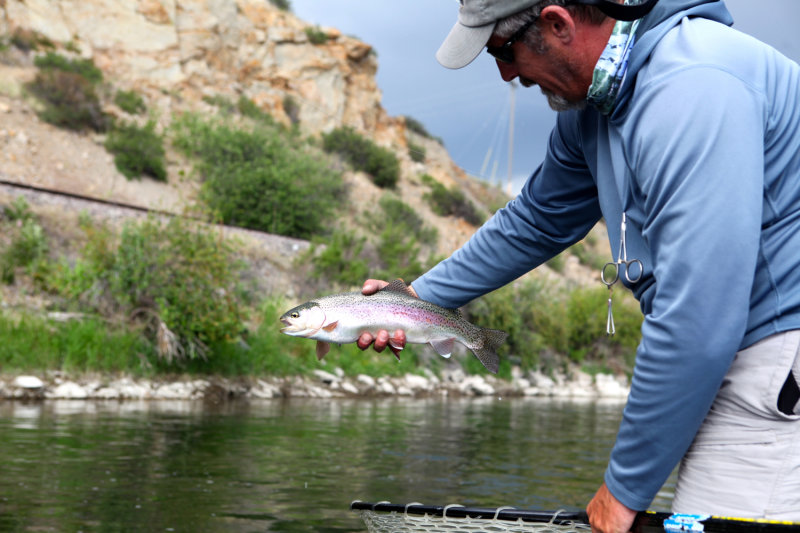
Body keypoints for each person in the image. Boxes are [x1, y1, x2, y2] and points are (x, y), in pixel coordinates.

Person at [357, 0, 800, 531]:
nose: (506, 74)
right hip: (742, 351)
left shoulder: (692, 86)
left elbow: (699, 317)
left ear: (557, 23)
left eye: (503, 50)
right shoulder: (596, 107)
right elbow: (537, 219)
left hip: (774, 355)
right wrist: (413, 302)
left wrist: (623, 490)